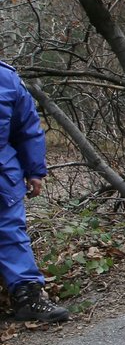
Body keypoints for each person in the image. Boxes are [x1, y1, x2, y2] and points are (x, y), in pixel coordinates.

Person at [0, 61, 69, 324]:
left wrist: (35, 170)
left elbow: (27, 129)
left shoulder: (5, 79)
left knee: (10, 233)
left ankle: (29, 298)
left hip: (3, 175)